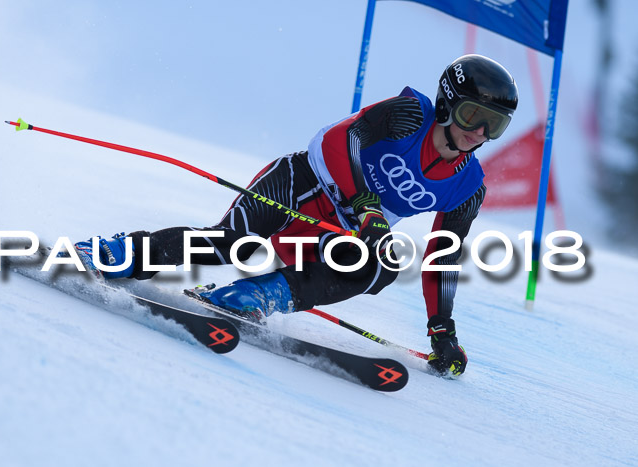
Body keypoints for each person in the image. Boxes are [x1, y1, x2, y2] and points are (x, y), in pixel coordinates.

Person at [75, 54, 519, 377]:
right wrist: (366, 204)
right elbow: (338, 141)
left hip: (337, 233)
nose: (478, 132)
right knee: (230, 243)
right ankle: (120, 252)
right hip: (300, 183)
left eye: (493, 125)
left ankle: (257, 297)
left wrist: (441, 327)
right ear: (446, 103)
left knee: (381, 266)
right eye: (471, 114)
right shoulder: (408, 115)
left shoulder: (467, 187)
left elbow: (444, 255)